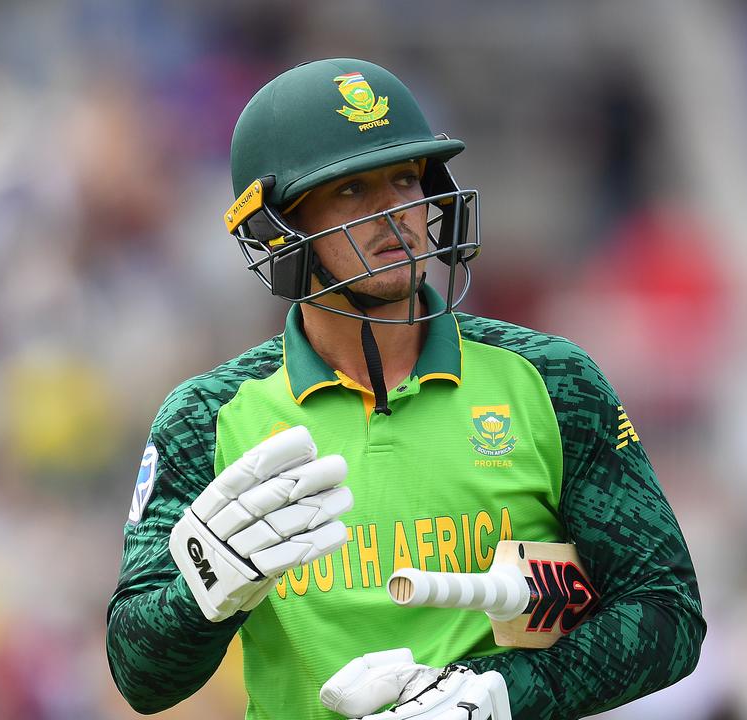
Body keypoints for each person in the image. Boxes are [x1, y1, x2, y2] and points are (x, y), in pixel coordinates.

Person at [106, 58, 705, 720]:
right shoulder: (206, 419)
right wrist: (200, 596)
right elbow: (141, 678)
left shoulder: (554, 381)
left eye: (404, 180)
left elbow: (667, 613)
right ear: (277, 229)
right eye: (351, 192)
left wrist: (503, 692)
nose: (396, 214)